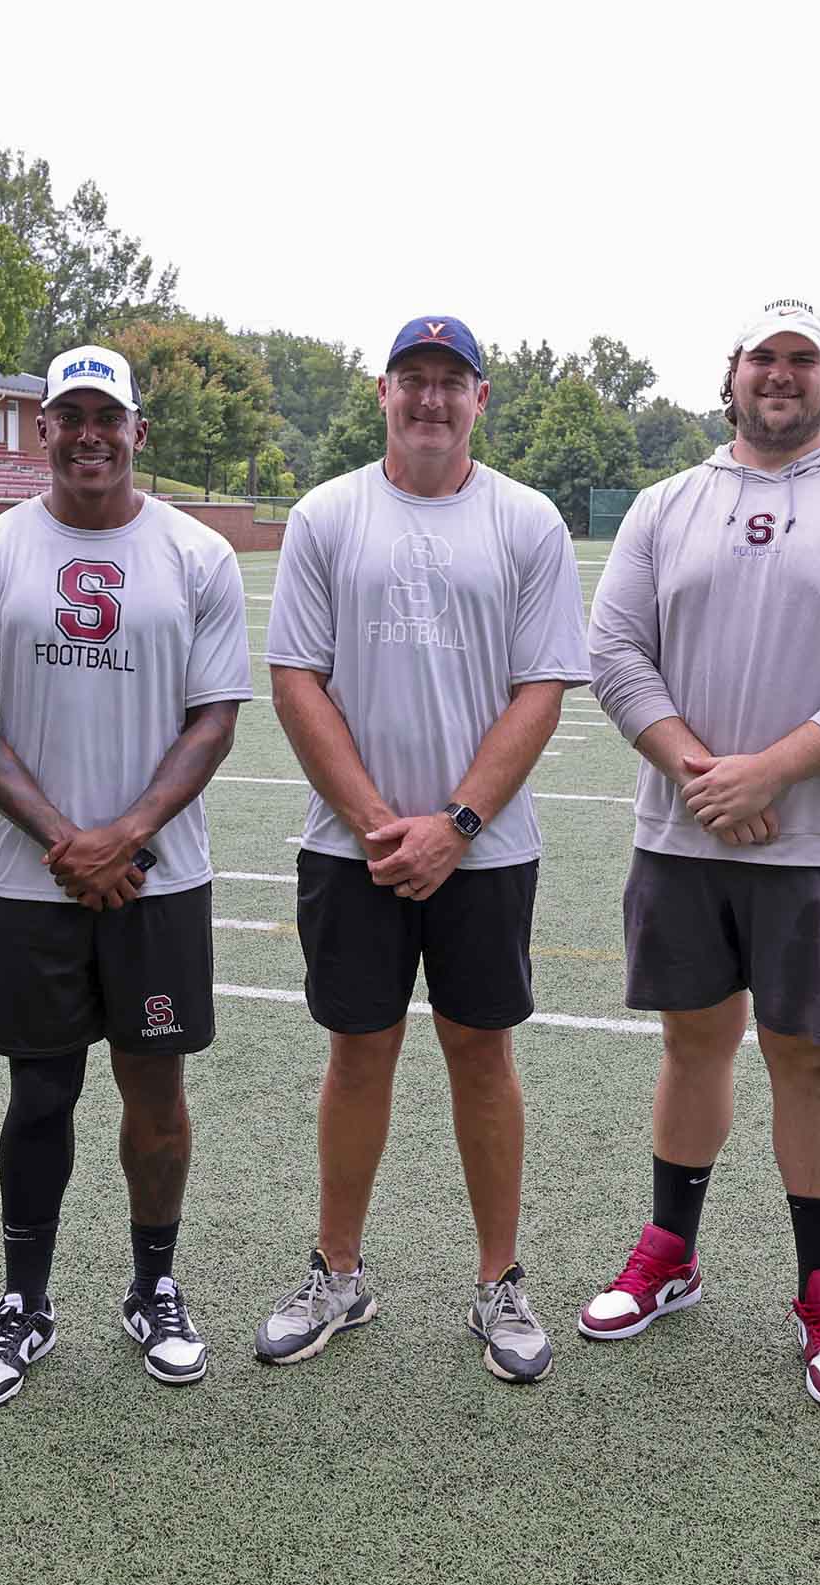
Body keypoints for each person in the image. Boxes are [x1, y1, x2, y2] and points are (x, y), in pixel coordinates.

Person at [580, 298, 820, 1409]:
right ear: (731, 375)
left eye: (802, 360)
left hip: (819, 845)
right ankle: (672, 1252)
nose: (780, 376)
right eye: (763, 358)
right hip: (684, 836)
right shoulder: (667, 504)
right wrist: (707, 774)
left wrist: (771, 772)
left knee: (809, 1059)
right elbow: (612, 652)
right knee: (694, 1045)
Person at [254, 315, 591, 1385]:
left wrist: (453, 827)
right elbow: (297, 676)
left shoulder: (527, 521)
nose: (432, 398)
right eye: (414, 379)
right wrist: (373, 824)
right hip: (352, 849)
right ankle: (338, 1273)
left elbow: (542, 689)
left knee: (481, 1055)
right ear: (385, 392)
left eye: (452, 380)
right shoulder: (327, 514)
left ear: (481, 398)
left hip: (481, 854)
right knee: (358, 1052)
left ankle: (499, 1281)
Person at [0, 344, 250, 1402]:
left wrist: (128, 835)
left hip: (158, 878)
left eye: (105, 415)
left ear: (137, 432)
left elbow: (214, 720)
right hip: (36, 882)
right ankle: (26, 1298)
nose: (86, 433)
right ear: (44, 430)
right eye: (67, 414)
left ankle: (152, 1284)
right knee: (39, 1089)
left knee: (155, 1084)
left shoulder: (199, 554)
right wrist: (69, 839)